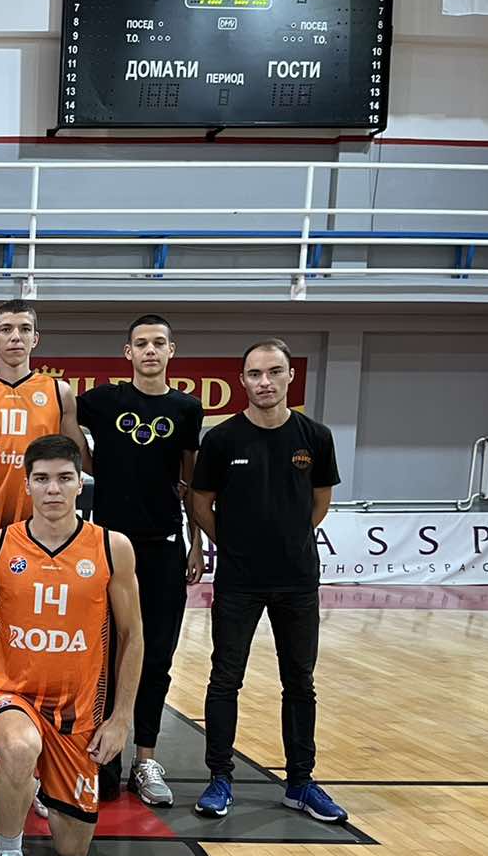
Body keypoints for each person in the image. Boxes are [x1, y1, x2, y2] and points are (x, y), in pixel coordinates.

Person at [0, 434, 144, 856]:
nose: (53, 489)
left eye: (64, 478)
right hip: (13, 697)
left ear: (80, 484)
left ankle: (32, 784)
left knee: (73, 849)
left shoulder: (112, 547)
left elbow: (132, 636)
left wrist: (121, 719)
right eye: (43, 479)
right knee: (18, 746)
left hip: (77, 713)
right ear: (27, 484)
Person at [190, 339, 345, 823]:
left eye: (274, 372)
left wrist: (290, 538)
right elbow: (200, 504)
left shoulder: (315, 437)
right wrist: (235, 543)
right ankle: (220, 778)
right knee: (225, 679)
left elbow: (320, 501)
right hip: (238, 581)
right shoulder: (221, 439)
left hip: (297, 580)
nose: (265, 382)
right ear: (242, 380)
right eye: (255, 374)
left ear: (289, 377)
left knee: (300, 681)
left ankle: (300, 783)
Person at [0, 300, 85, 804]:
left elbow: (75, 457)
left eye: (23, 329)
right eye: (5, 329)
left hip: (42, 540)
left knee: (38, 645)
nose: (14, 337)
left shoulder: (58, 392)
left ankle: (38, 754)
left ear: (36, 339)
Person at [73, 315, 203, 807]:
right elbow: (60, 410)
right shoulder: (104, 401)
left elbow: (190, 484)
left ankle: (145, 759)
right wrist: (95, 464)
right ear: (127, 352)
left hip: (164, 547)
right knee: (104, 657)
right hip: (107, 549)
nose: (150, 350)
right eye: (142, 343)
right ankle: (104, 757)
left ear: (172, 350)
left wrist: (195, 542)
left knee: (157, 658)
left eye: (158, 343)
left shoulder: (186, 408)